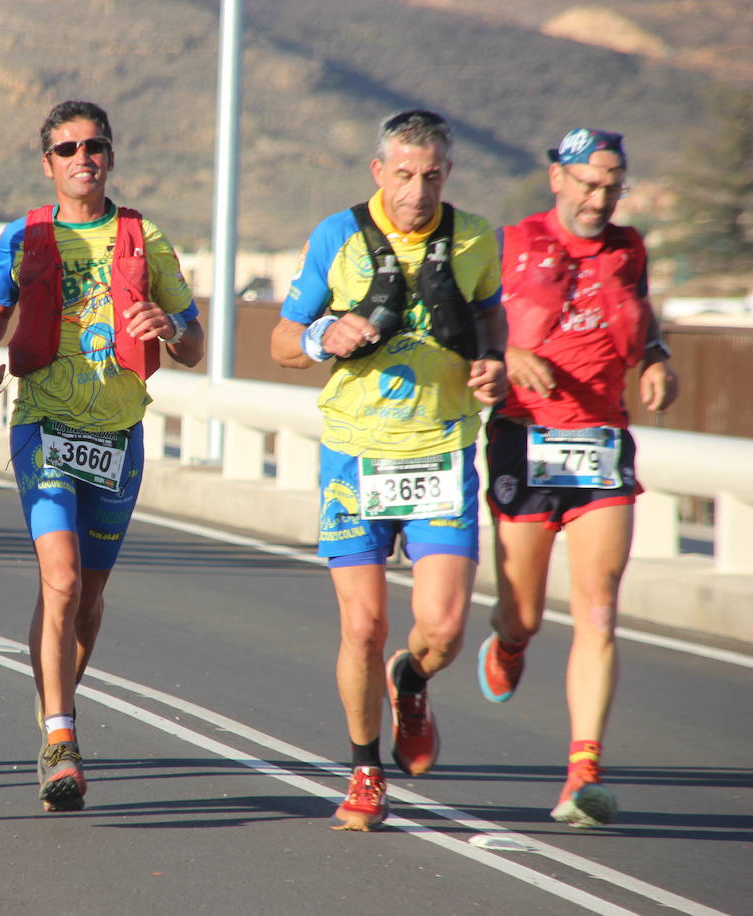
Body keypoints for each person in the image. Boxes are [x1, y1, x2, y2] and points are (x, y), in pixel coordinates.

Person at [270, 109, 508, 831]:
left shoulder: (473, 239)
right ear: (379, 171)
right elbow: (282, 341)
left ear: (447, 173)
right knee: (364, 626)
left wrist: (493, 368)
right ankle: (366, 771)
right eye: (403, 174)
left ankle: (412, 681)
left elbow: (492, 323)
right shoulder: (336, 238)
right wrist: (322, 334)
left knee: (440, 630)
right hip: (355, 452)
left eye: (431, 175)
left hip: (440, 449)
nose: (417, 190)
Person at [0, 100, 204, 812]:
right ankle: (63, 738)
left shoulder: (145, 237)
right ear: (48, 165)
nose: (82, 158)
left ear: (110, 154)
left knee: (86, 599)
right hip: (43, 426)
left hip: (118, 436)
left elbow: (194, 347)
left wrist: (170, 328)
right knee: (63, 581)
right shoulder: (23, 236)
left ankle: (51, 711)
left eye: (94, 145)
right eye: (67, 149)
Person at [477, 128, 678, 828]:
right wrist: (508, 349)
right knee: (524, 614)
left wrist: (655, 361)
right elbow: (468, 321)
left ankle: (581, 774)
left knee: (598, 609)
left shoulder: (629, 248)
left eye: (613, 185)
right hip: (522, 439)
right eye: (589, 183)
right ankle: (507, 641)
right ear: (557, 177)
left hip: (600, 443)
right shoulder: (507, 242)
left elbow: (644, 322)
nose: (600, 198)